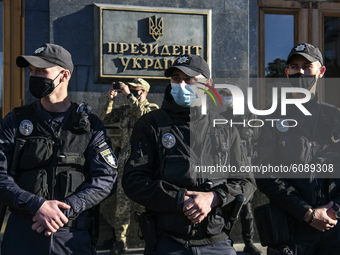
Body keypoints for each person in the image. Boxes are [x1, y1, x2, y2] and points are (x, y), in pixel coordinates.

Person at [122, 54, 256, 255]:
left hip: (217, 242)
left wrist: (214, 197)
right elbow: (133, 180)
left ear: (208, 83)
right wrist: (180, 198)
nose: (182, 84)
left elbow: (246, 182)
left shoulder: (225, 129)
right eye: (177, 79)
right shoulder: (150, 124)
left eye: (190, 79)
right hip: (167, 242)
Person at [0, 43, 118, 255]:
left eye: (42, 71)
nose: (34, 76)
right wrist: (37, 205)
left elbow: (106, 178)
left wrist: (65, 209)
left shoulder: (90, 125)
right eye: (32, 71)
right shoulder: (15, 120)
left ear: (64, 75)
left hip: (72, 236)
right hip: (23, 232)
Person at [254, 43, 340, 254]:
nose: (300, 72)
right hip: (292, 229)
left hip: (334, 230)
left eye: (307, 66)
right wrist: (307, 213)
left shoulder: (335, 116)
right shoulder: (272, 118)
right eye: (294, 67)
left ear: (321, 71)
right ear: (287, 72)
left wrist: (335, 210)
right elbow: (265, 174)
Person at [100, 78, 159, 254]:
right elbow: (104, 119)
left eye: (136, 89)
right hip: (125, 163)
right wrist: (110, 99)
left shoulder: (153, 109)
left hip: (146, 165)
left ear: (145, 91)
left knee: (146, 206)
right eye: (131, 89)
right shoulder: (125, 110)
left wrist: (127, 95)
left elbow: (142, 116)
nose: (133, 92)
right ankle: (120, 241)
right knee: (121, 207)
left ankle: (151, 240)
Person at [219, 89, 261, 255]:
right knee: (223, 205)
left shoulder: (250, 117)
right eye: (225, 97)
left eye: (229, 96)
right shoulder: (220, 118)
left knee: (246, 208)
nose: (227, 100)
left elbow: (258, 143)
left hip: (245, 168)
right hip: (225, 168)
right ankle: (224, 240)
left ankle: (249, 242)